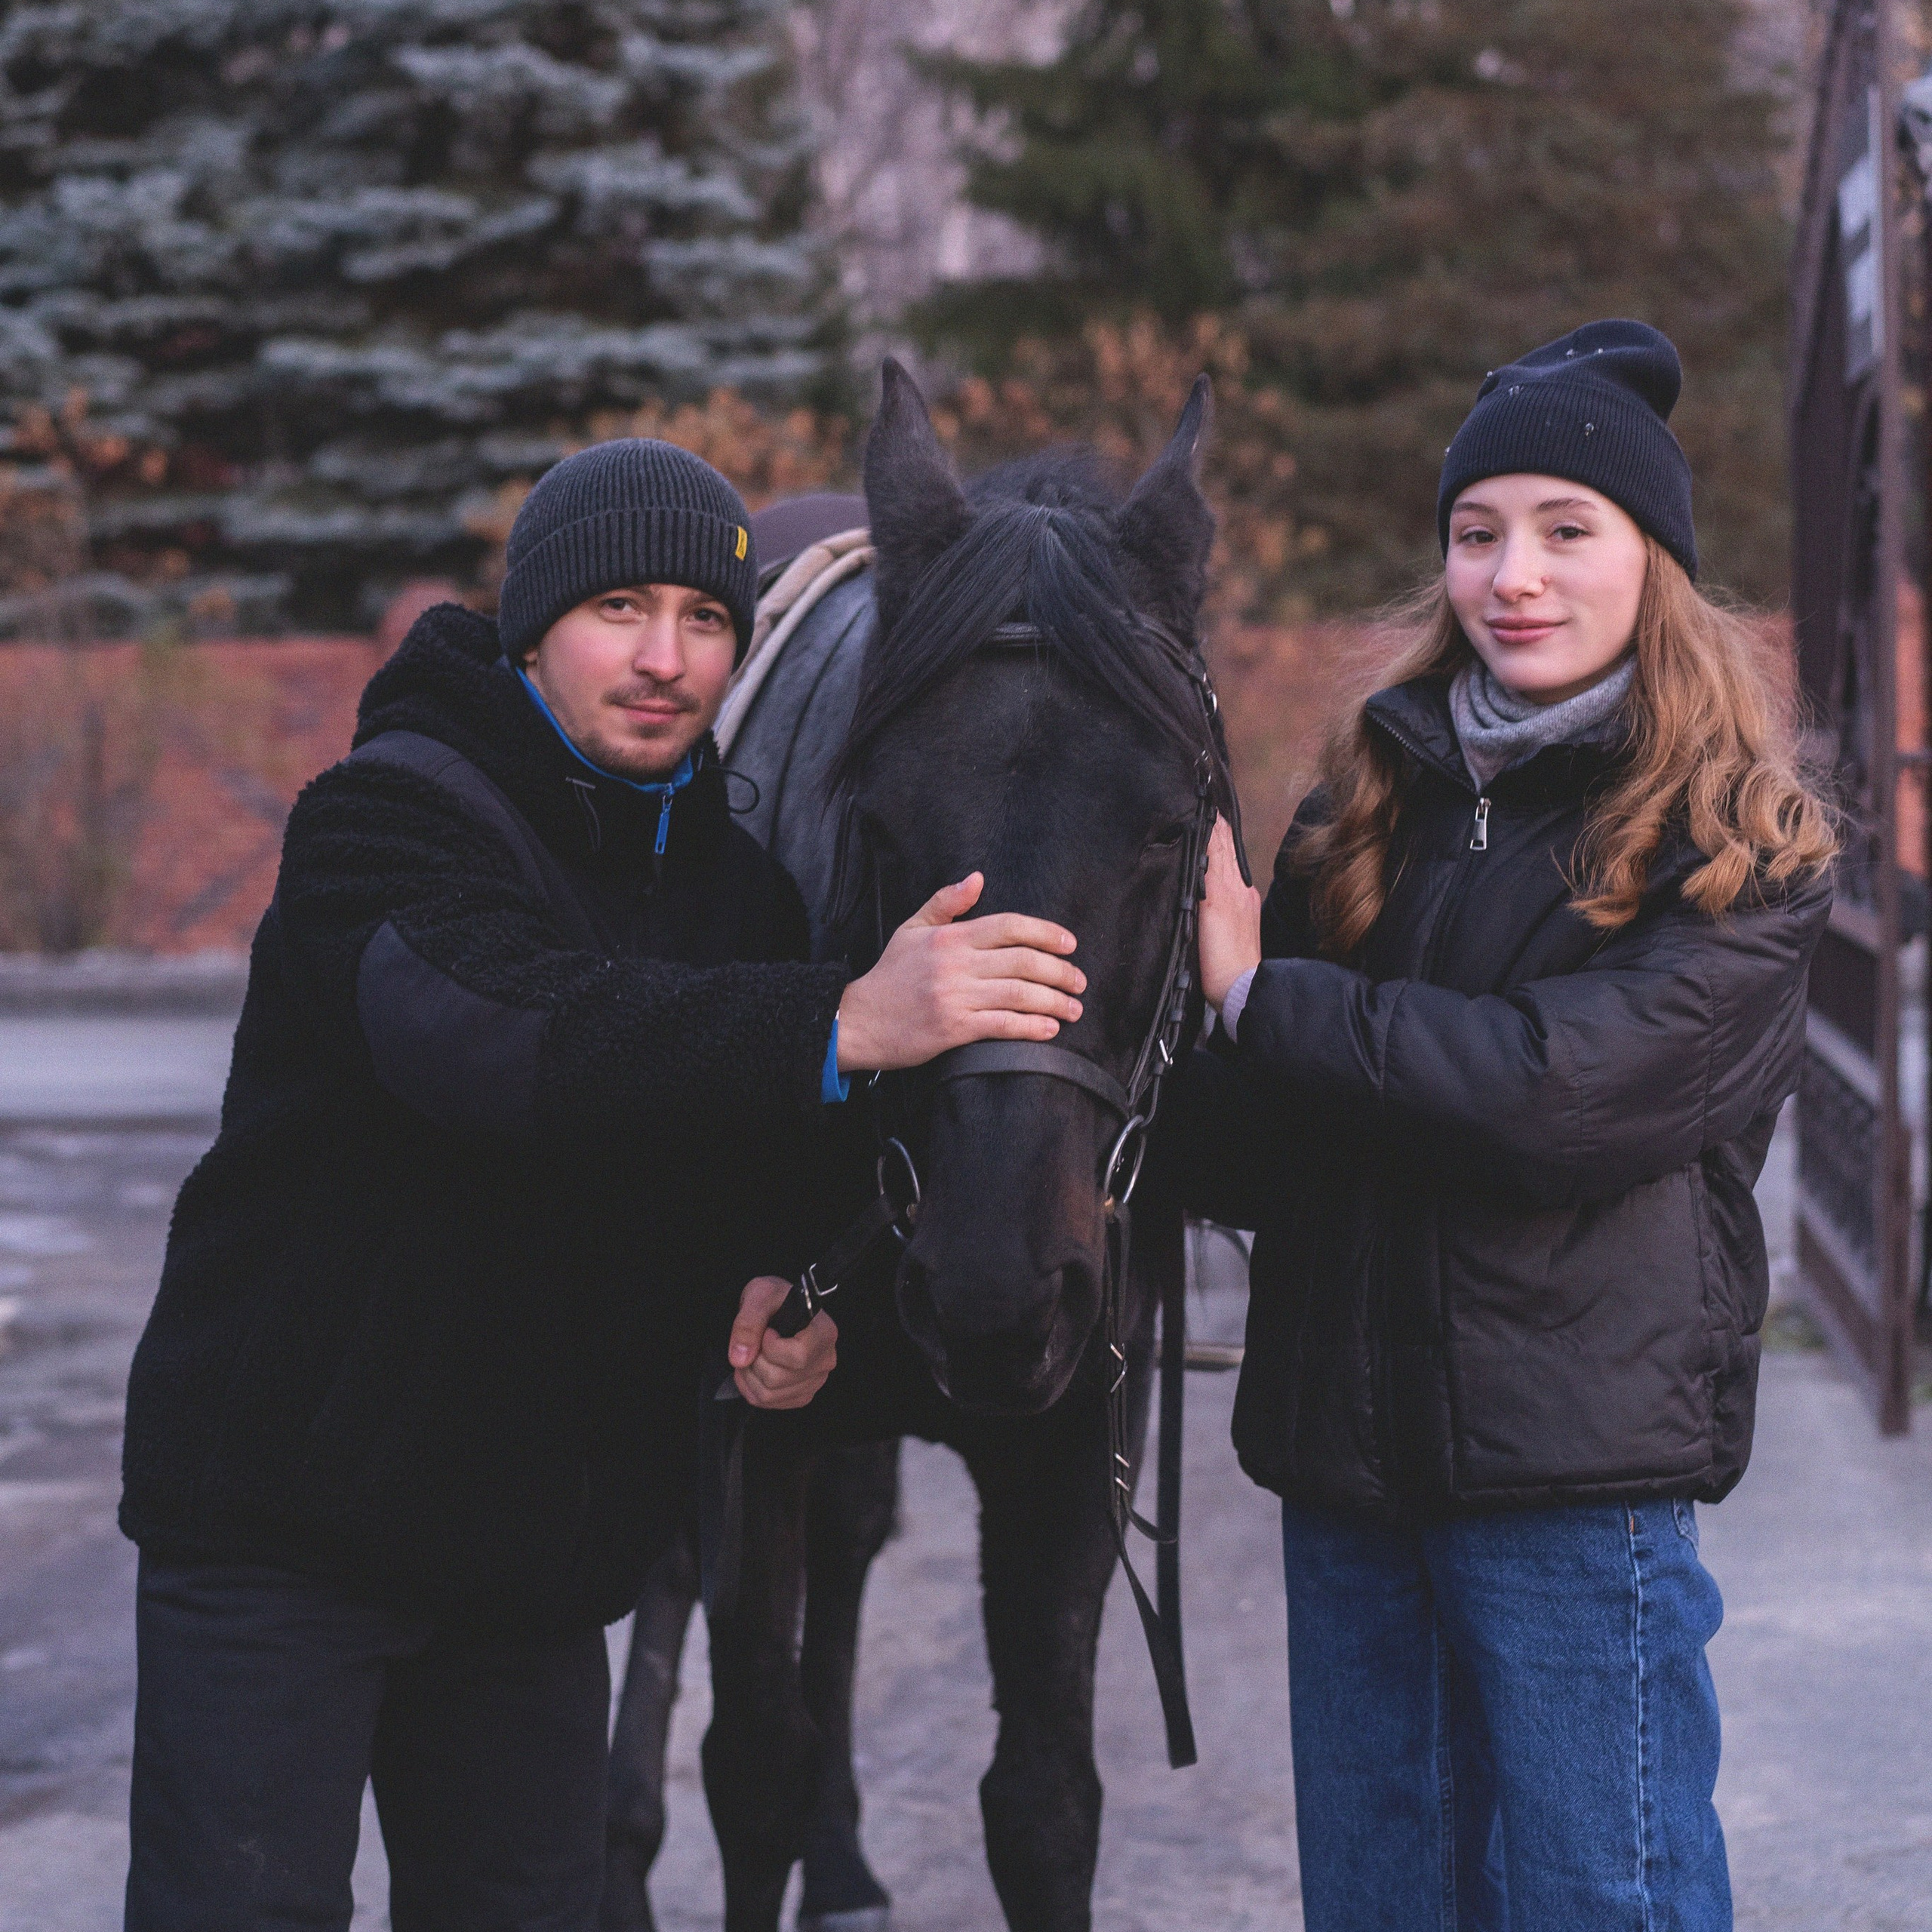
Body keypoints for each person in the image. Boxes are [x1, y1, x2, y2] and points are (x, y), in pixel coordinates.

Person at [118, 438, 1088, 1932]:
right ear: (531, 630)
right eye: (617, 608)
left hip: (530, 1563)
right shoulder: (387, 816)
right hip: (287, 1533)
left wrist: (773, 1285)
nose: (663, 658)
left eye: (705, 619)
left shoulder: (733, 892)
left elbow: (727, 1161)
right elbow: (486, 1035)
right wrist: (837, 1020)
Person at [1186, 319, 1836, 1929]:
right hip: (1349, 1472)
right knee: (1380, 1900)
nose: (1512, 576)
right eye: (1475, 535)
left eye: (1565, 529)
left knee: (1603, 1896)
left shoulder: (1736, 844)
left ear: (1653, 562)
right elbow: (1251, 1141)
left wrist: (1262, 999)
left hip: (1571, 1484)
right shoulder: (1361, 808)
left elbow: (1552, 1094)